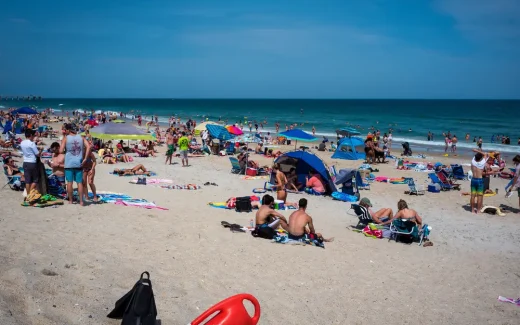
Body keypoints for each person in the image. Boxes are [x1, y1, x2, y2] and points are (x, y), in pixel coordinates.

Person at [60, 124, 91, 206]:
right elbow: (88, 147)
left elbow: (60, 150)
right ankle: (81, 201)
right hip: (79, 163)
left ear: (68, 130)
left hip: (69, 163)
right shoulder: (81, 137)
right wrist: (85, 158)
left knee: (69, 182)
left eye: (65, 130)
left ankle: (70, 200)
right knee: (79, 182)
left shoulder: (66, 138)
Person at [20, 129, 42, 195]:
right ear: (31, 135)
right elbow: (37, 154)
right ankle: (29, 195)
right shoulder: (31, 143)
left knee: (27, 181)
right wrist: (41, 150)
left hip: (25, 162)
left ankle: (27, 195)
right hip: (32, 162)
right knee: (35, 180)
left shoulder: (22, 142)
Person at [470, 149, 488, 214]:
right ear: (481, 158)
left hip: (473, 179)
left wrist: (476, 151)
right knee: (480, 196)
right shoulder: (483, 162)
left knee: (473, 195)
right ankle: (478, 210)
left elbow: (480, 156)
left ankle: (472, 210)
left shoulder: (473, 161)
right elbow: (485, 154)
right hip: (480, 180)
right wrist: (478, 151)